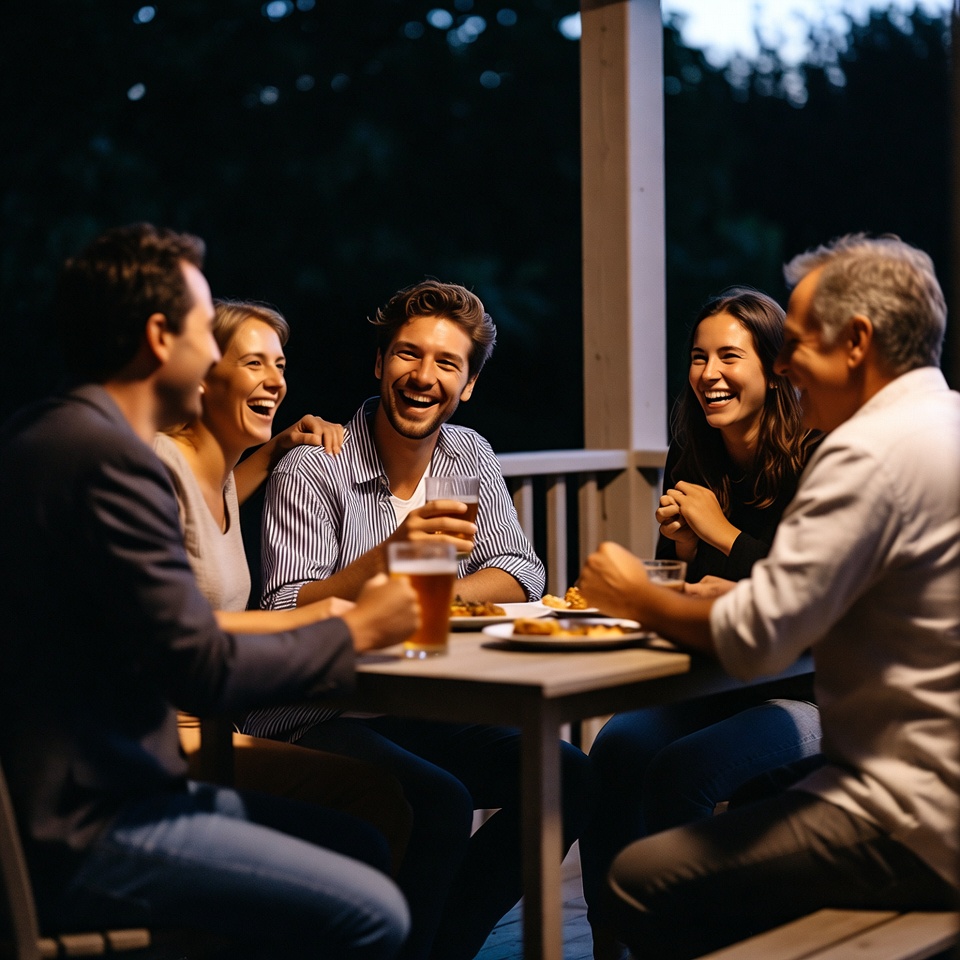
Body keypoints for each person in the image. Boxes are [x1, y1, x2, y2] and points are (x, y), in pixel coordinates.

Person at [0, 223, 418, 959]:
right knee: (374, 912)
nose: (213, 355)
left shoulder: (50, 436)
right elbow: (203, 668)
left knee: (357, 837)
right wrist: (355, 632)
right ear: (162, 336)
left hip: (97, 796)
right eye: (205, 331)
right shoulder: (110, 464)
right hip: (96, 824)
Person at [578, 233, 960, 959]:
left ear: (857, 342)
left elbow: (759, 636)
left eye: (796, 342)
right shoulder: (945, 423)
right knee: (644, 758)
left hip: (916, 817)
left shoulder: (861, 453)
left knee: (642, 878)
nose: (784, 364)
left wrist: (633, 593)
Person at [254, 280, 593, 960]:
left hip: (419, 703)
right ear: (379, 363)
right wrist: (391, 562)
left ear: (467, 385)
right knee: (438, 801)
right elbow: (286, 605)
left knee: (570, 776)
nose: (424, 376)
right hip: (316, 709)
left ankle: (444, 946)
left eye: (447, 363)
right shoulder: (313, 467)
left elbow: (522, 570)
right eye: (408, 355)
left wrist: (444, 598)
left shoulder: (468, 454)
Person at [580, 289, 823, 954]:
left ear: (775, 367)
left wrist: (721, 534)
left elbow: (810, 596)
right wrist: (684, 558)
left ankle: (680, 944)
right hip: (716, 682)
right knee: (618, 746)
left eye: (728, 356)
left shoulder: (820, 457)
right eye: (697, 357)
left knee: (683, 771)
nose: (709, 373)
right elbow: (680, 591)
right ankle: (611, 945)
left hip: (808, 689)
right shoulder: (694, 452)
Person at [155, 297, 411, 875]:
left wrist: (275, 448)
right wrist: (342, 620)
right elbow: (172, 629)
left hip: (217, 726)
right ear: (201, 373)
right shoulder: (161, 470)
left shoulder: (217, 477)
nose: (275, 381)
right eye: (254, 364)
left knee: (389, 796)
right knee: (375, 803)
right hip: (166, 739)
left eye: (281, 365)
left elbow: (212, 510)